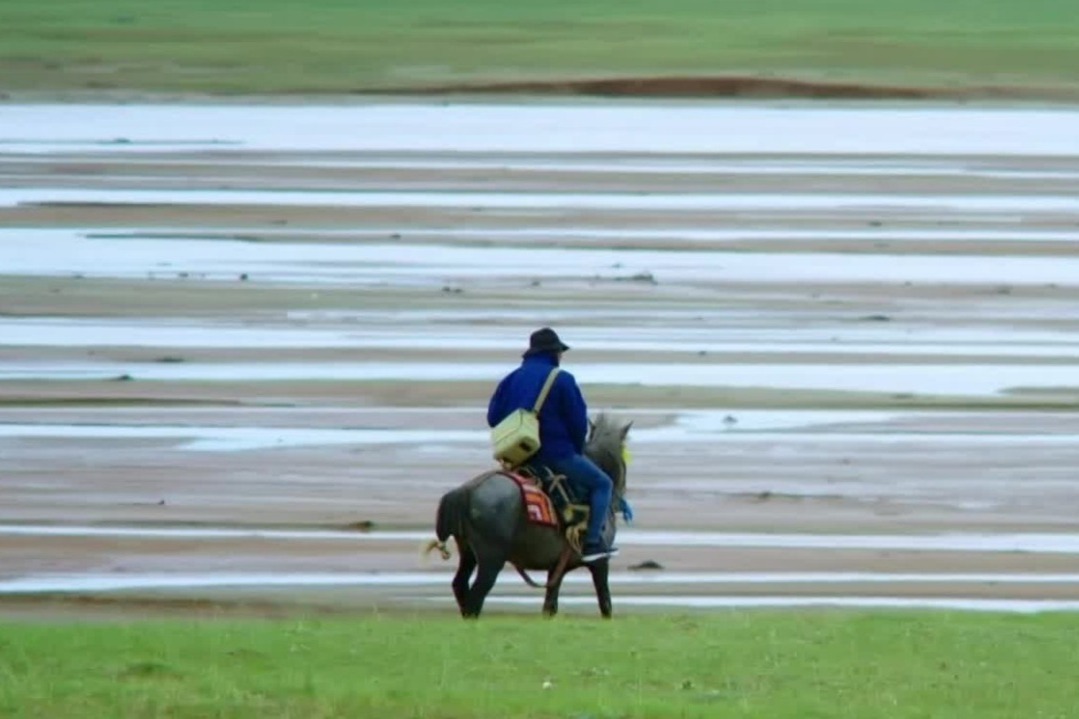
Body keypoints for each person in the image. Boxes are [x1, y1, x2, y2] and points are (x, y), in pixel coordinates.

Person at [487, 327, 620, 563]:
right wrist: (576, 450)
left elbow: (493, 418)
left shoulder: (510, 379)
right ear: (554, 353)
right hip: (557, 454)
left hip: (518, 457)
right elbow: (578, 422)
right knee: (603, 483)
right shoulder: (563, 379)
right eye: (560, 353)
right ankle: (592, 543)